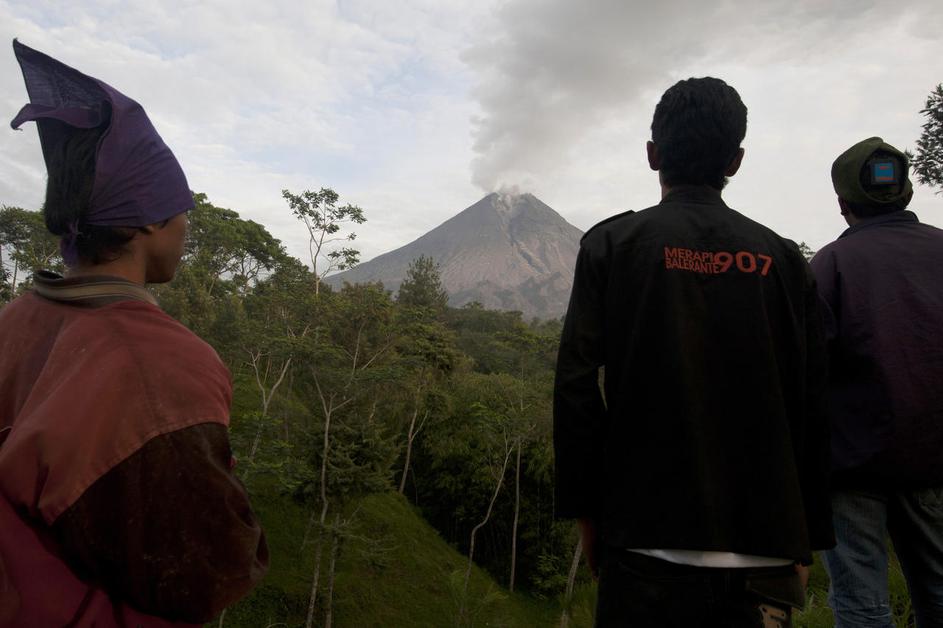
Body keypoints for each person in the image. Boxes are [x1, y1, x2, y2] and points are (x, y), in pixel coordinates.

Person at [0, 40, 267, 627]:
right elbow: (201, 572)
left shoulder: (17, 318)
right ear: (150, 220)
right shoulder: (160, 364)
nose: (187, 231)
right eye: (183, 213)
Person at [553, 77, 834, 627]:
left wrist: (589, 517)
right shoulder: (783, 259)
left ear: (653, 154)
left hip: (642, 546)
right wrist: (808, 539)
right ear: (735, 161)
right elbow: (813, 401)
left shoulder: (611, 246)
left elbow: (576, 387)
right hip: (767, 553)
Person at [809, 137, 943, 628]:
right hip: (935, 463)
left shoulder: (830, 265)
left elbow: (806, 372)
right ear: (906, 192)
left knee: (863, 607)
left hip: (851, 471)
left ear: (844, 204)